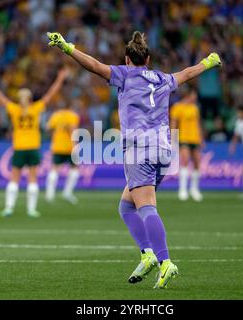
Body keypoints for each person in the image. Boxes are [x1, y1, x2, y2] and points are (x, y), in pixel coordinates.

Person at [47, 31, 221, 288]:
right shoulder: (162, 78)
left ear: (127, 59)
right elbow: (185, 73)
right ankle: (147, 254)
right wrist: (208, 62)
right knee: (127, 206)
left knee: (147, 207)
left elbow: (94, 66)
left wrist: (66, 47)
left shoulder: (124, 75)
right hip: (164, 149)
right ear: (148, 59)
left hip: (140, 149)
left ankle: (165, 262)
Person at [0, 68, 67, 217]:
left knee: (15, 178)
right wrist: (60, 78)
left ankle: (9, 208)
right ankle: (31, 210)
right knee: (33, 178)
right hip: (33, 147)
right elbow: (51, 93)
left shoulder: (14, 109)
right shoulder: (36, 109)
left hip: (19, 147)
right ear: (31, 99)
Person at [170, 89, 204, 201]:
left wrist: (201, 138)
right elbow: (174, 123)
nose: (195, 98)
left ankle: (194, 190)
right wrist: (173, 139)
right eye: (193, 96)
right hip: (183, 138)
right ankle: (183, 190)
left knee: (197, 163)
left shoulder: (195, 108)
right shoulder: (177, 107)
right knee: (184, 161)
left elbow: (198, 124)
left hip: (195, 138)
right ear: (188, 95)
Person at [45, 99, 81, 204]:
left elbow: (47, 128)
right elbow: (74, 131)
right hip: (70, 146)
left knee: (55, 169)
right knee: (74, 169)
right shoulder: (73, 116)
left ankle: (49, 194)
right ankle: (67, 193)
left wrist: (55, 133)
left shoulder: (55, 115)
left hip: (58, 146)